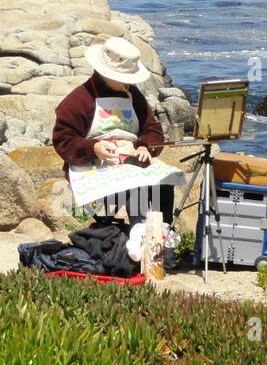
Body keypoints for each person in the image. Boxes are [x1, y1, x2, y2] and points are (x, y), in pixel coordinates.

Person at [51, 36, 175, 225]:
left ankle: (163, 235)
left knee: (165, 183)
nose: (127, 83)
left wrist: (144, 147)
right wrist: (93, 148)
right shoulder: (79, 100)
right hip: (91, 167)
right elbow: (63, 140)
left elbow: (152, 128)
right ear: (105, 73)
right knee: (137, 187)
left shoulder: (134, 95)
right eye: (123, 78)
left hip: (130, 160)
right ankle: (140, 239)